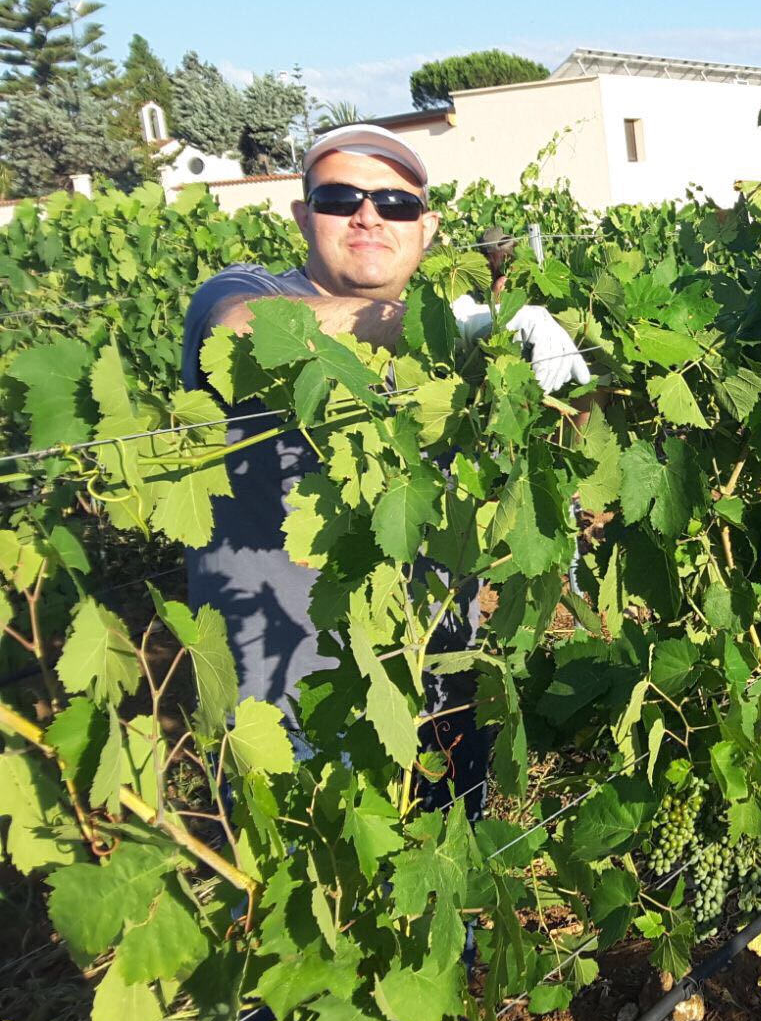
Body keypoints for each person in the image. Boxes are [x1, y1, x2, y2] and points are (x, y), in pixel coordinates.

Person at [181, 124, 589, 798]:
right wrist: (442, 326)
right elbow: (244, 327)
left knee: (450, 880)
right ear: (302, 214)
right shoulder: (244, 291)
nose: (369, 215)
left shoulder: (459, 345)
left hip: (439, 686)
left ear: (426, 228)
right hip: (290, 706)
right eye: (341, 198)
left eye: (395, 204)